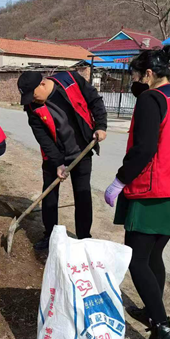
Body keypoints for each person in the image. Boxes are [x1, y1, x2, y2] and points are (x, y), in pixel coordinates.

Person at [104, 45, 170, 339]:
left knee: (136, 259)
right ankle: (151, 310)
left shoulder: (151, 99)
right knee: (153, 255)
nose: (135, 81)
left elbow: (145, 148)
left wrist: (120, 179)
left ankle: (162, 330)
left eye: (136, 75)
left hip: (155, 191)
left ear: (148, 74)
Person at [17, 70, 107, 250]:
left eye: (33, 95)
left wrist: (101, 126)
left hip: (81, 150)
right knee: (49, 196)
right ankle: (50, 236)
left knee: (82, 195)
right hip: (54, 155)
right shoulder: (31, 106)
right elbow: (42, 136)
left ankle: (84, 238)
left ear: (42, 84)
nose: (32, 100)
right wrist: (58, 162)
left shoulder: (70, 80)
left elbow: (94, 100)